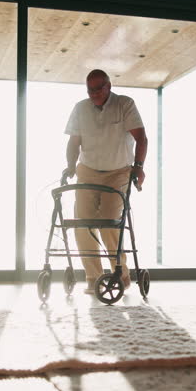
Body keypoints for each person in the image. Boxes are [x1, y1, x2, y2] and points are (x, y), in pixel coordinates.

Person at [63, 69, 148, 295]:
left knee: (109, 221)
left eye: (99, 88)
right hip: (88, 170)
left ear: (109, 86)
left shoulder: (125, 104)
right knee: (82, 222)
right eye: (90, 89)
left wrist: (138, 167)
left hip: (118, 171)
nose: (94, 93)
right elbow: (74, 142)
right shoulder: (81, 108)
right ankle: (93, 277)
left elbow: (141, 137)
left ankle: (121, 274)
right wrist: (71, 166)